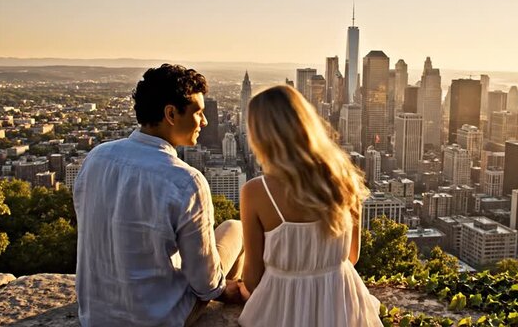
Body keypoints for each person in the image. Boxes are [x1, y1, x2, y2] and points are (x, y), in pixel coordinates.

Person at [74, 64, 245, 327]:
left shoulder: (95, 158)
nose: (205, 121)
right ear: (171, 114)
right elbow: (205, 284)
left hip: (95, 316)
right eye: (198, 112)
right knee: (235, 227)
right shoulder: (186, 181)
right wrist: (222, 290)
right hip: (156, 318)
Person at [237, 86, 383, 326]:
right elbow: (352, 256)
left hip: (281, 311)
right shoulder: (345, 176)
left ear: (259, 135)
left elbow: (253, 279)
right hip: (341, 308)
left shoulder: (256, 191)